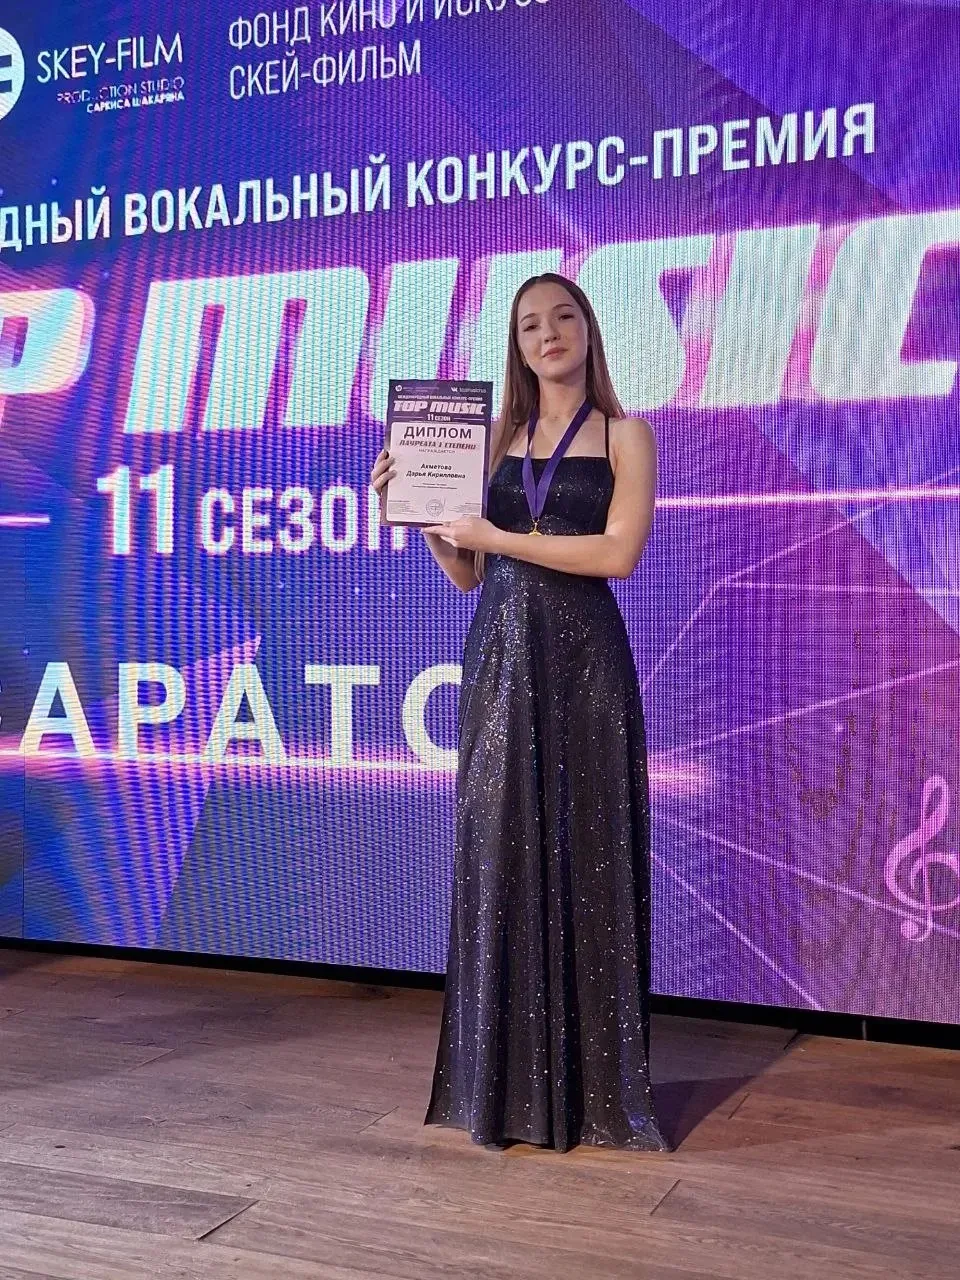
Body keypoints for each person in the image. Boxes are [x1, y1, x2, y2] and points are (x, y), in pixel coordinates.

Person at [370, 272, 669, 1152]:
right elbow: (469, 575)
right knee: (499, 853)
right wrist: (421, 515)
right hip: (502, 662)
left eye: (564, 316)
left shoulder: (626, 435)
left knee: (590, 853)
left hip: (586, 665)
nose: (549, 333)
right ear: (518, 344)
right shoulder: (495, 437)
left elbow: (618, 555)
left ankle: (595, 1095)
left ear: (588, 328)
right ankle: (503, 1094)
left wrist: (496, 535)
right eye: (531, 324)